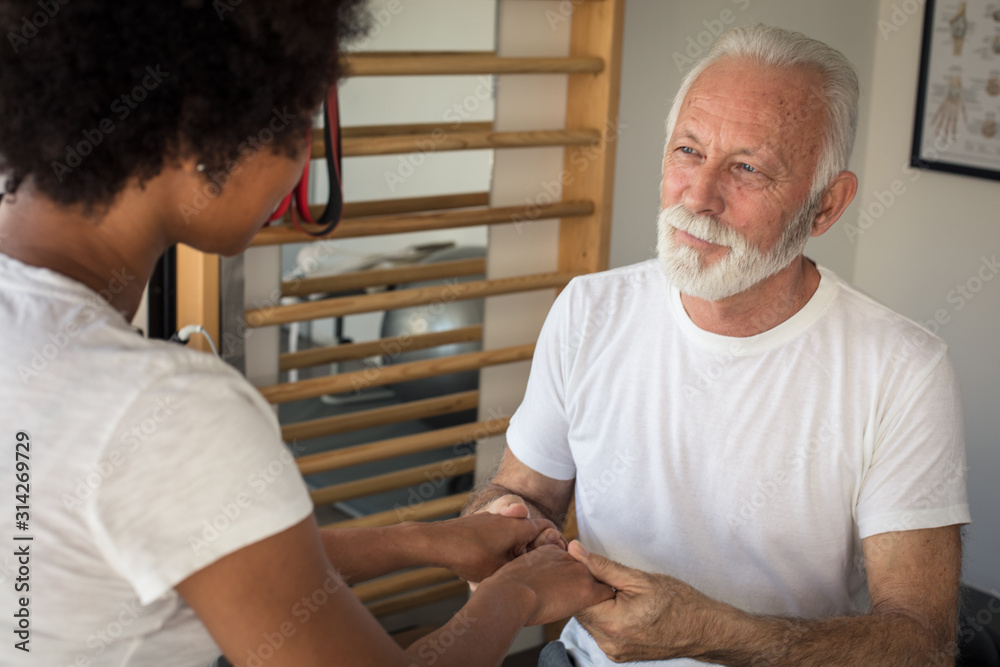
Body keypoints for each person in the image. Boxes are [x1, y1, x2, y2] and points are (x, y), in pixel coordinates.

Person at [0, 2, 612, 666]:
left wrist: (428, 540)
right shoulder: (162, 407)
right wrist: (516, 596)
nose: (301, 162)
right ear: (201, 121)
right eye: (296, 122)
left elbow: (198, 554)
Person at [466, 24, 971, 666]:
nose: (699, 198)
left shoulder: (903, 370)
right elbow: (526, 494)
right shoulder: (589, 310)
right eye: (688, 151)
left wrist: (717, 634)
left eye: (748, 168)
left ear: (825, 207)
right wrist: (500, 518)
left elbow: (920, 647)